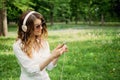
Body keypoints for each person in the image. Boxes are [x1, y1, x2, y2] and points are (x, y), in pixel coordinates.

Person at [13, 10, 68, 80]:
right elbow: (31, 70)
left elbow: (49, 67)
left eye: (41, 25)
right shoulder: (18, 46)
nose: (41, 28)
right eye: (37, 26)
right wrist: (51, 56)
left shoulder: (44, 43)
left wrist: (57, 55)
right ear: (26, 28)